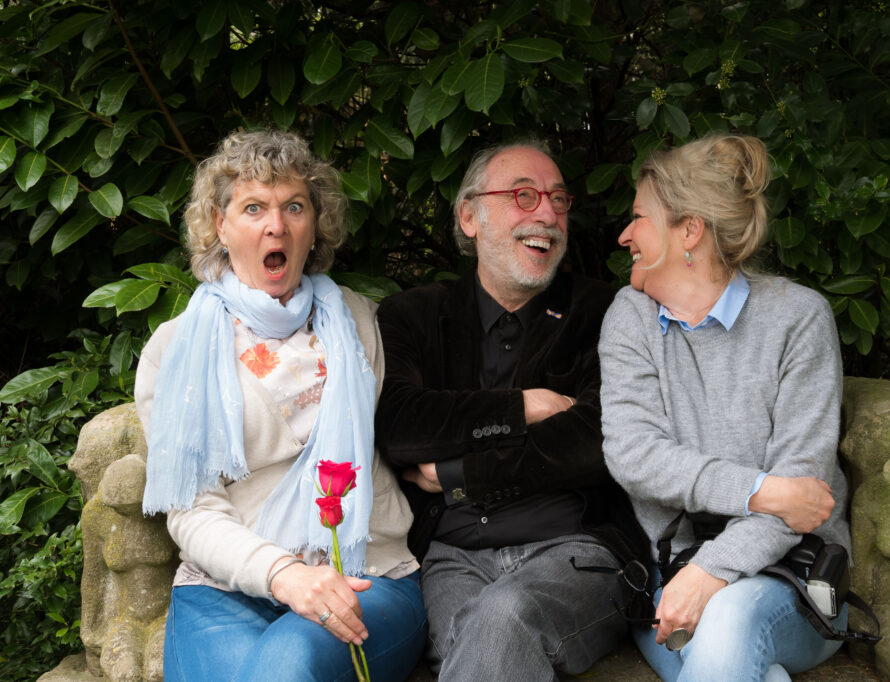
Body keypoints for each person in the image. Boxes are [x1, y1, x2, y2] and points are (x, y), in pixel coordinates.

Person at [135, 129, 427, 682]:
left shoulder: (366, 323)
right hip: (223, 589)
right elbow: (192, 508)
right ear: (220, 226)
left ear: (314, 225)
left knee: (287, 666)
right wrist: (283, 574)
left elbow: (418, 422)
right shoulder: (174, 350)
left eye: (294, 206)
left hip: (366, 574)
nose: (277, 225)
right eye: (253, 208)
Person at [374, 140, 647, 681]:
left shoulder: (603, 311)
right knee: (488, 637)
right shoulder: (413, 315)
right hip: (451, 557)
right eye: (523, 196)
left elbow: (596, 439)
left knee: (501, 618)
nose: (546, 214)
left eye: (558, 199)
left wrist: (459, 473)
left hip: (576, 550)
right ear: (469, 217)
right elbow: (401, 425)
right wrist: (524, 407)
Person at [599, 133, 851, 682]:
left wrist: (712, 570)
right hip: (671, 580)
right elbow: (635, 455)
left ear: (690, 230)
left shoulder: (798, 318)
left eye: (639, 217)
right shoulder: (630, 317)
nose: (624, 235)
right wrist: (761, 491)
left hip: (792, 580)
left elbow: (805, 500)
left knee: (729, 619)